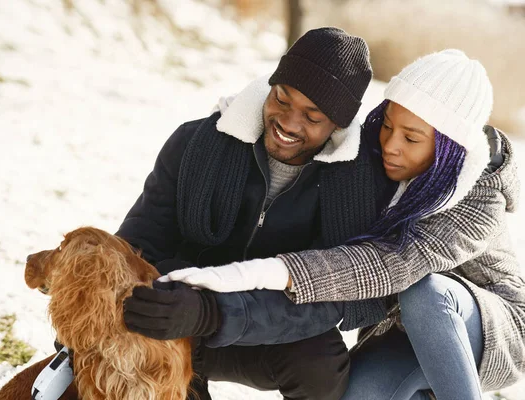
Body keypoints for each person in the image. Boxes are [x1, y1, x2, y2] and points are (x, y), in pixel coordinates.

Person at [157, 50, 525, 399]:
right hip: (399, 332)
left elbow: (389, 265)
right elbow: (309, 114)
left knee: (425, 291)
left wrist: (243, 276)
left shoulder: (480, 199)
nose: (391, 145)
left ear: (450, 148)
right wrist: (233, 122)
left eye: (411, 138)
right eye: (388, 125)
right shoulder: (375, 161)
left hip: (487, 329)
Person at [118, 27, 399, 400]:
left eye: (312, 117)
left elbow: (334, 300)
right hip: (178, 321)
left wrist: (214, 312)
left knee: (321, 360)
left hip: (274, 335)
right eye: (281, 99)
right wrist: (112, 303)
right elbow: (139, 241)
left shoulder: (358, 187)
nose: (288, 122)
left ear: (338, 125)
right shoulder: (194, 143)